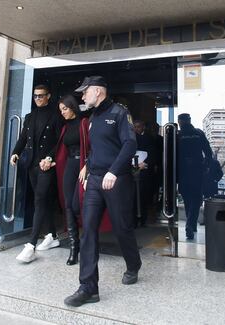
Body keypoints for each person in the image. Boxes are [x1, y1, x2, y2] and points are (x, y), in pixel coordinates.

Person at [64, 76, 141, 308]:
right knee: (88, 230)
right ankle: (88, 288)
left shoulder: (119, 113)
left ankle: (133, 264)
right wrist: (88, 166)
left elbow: (130, 144)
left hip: (116, 179)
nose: (82, 97)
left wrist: (113, 172)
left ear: (98, 91)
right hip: (95, 180)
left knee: (121, 227)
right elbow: (97, 148)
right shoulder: (92, 118)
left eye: (85, 92)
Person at [11, 84, 62, 263]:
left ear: (48, 96)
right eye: (35, 96)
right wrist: (15, 152)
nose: (38, 99)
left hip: (47, 166)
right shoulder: (30, 117)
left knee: (40, 200)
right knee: (43, 200)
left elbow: (60, 142)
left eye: (41, 96)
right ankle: (52, 236)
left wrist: (49, 157)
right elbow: (24, 137)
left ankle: (31, 245)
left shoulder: (56, 116)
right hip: (32, 164)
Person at [55, 95, 90, 266]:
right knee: (69, 204)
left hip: (83, 166)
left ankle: (87, 244)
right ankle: (73, 247)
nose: (63, 113)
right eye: (61, 110)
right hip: (69, 166)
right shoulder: (65, 127)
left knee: (82, 204)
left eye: (65, 109)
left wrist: (87, 165)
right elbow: (60, 148)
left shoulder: (84, 123)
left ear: (73, 107)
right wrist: (49, 158)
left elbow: (93, 146)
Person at [177, 113, 213, 240]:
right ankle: (191, 225)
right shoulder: (199, 133)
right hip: (197, 171)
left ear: (180, 122)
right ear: (190, 120)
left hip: (183, 172)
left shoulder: (178, 136)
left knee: (187, 199)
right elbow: (208, 151)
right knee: (196, 199)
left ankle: (190, 224)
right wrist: (207, 166)